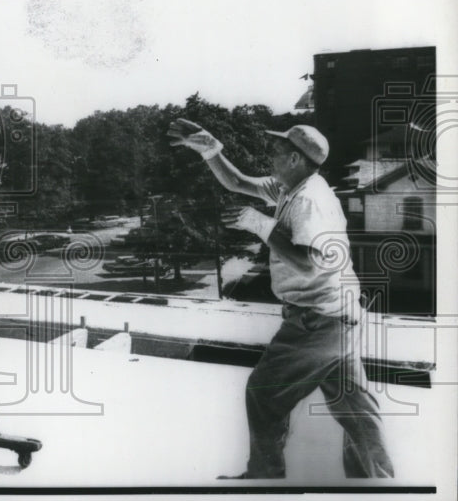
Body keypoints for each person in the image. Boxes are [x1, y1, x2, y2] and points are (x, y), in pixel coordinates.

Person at [167, 119, 393, 479]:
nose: (268, 154)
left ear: (294, 159)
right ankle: (379, 483)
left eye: (276, 150)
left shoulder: (309, 201)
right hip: (342, 315)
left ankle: (264, 479)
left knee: (263, 394)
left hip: (317, 320)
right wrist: (211, 149)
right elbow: (238, 182)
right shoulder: (292, 186)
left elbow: (309, 264)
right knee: (355, 407)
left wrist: (260, 225)